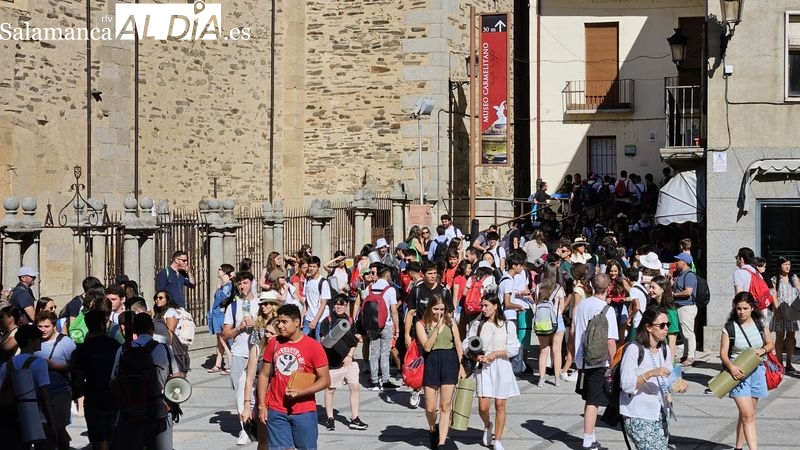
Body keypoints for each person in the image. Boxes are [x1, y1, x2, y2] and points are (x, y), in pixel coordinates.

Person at [256, 304, 330, 450]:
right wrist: (262, 405)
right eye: (278, 321)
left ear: (297, 323)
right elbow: (264, 375)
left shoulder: (313, 346)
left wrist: (302, 392)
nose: (279, 325)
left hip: (304, 410)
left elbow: (325, 380)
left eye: (284, 322)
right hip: (277, 409)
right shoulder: (274, 343)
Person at [111, 313, 183, 450]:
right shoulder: (164, 349)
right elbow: (177, 379)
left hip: (129, 412)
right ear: (152, 328)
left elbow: (113, 382)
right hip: (158, 411)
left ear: (134, 329)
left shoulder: (123, 350)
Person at [620, 309, 687, 450]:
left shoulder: (664, 349)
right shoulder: (634, 349)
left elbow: (669, 377)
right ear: (649, 327)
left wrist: (679, 385)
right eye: (661, 325)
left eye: (667, 324)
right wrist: (650, 374)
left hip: (660, 413)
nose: (666, 328)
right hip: (638, 414)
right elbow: (626, 384)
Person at [464, 293, 521, 450]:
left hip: (501, 366)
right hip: (484, 368)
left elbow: (514, 347)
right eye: (482, 305)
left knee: (500, 404)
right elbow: (466, 345)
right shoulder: (477, 324)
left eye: (486, 305)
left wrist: (495, 354)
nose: (483, 309)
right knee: (483, 406)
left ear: (495, 306)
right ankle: (488, 425)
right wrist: (476, 357)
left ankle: (498, 440)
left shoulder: (508, 325)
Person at [720, 292, 774, 450]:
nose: (741, 312)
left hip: (757, 372)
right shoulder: (729, 327)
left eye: (745, 308)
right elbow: (723, 353)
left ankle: (738, 447)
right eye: (738, 308)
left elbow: (770, 344)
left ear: (752, 308)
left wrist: (762, 350)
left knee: (745, 415)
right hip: (738, 374)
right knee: (748, 415)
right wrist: (731, 367)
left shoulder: (760, 324)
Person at [572, 273, 618, 450]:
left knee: (590, 398)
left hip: (582, 359)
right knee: (593, 401)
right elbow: (611, 341)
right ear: (608, 288)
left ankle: (591, 436)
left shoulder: (582, 305)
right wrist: (613, 364)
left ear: (591, 285)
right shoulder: (607, 310)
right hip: (599, 360)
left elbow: (576, 332)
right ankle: (587, 441)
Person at [415, 295, 465, 449]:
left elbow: (458, 344)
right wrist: (436, 329)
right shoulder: (421, 324)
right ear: (430, 308)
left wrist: (462, 366)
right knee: (430, 406)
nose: (439, 312)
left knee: (445, 405)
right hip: (431, 362)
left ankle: (442, 442)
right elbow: (427, 347)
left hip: (449, 361)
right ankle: (432, 429)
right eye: (436, 309)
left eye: (442, 309)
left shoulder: (451, 323)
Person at [0, 324, 57, 449]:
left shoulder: (7, 365)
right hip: (36, 415)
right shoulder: (39, 362)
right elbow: (44, 393)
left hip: (11, 415)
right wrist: (52, 422)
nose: (41, 341)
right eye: (38, 338)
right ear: (31, 341)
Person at [72, 310, 121, 450]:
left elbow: (79, 379)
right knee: (113, 438)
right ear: (102, 324)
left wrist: (88, 394)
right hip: (113, 397)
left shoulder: (83, 349)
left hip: (93, 399)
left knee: (98, 439)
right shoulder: (114, 345)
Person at [222, 272, 260, 446]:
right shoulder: (234, 306)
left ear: (252, 283)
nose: (242, 286)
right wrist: (239, 328)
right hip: (239, 353)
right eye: (239, 284)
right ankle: (244, 429)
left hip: (258, 351)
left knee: (259, 391)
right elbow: (225, 333)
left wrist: (256, 323)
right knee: (239, 392)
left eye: (245, 283)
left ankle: (260, 425)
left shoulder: (261, 303)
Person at [320, 295, 367, 432]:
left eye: (342, 304)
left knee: (354, 387)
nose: (339, 306)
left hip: (348, 362)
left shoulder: (350, 321)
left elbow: (354, 341)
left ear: (347, 305)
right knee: (330, 390)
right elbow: (323, 340)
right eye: (337, 304)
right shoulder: (327, 321)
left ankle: (355, 418)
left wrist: (350, 356)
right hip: (333, 363)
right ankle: (330, 418)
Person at [34, 311, 77, 450]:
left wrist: (54, 366)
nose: (43, 330)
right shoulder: (34, 341)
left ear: (54, 326)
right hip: (39, 392)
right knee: (43, 429)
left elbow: (75, 366)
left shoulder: (66, 342)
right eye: (39, 326)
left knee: (58, 427)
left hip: (60, 391)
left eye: (46, 326)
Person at [366, 264, 401, 391]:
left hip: (372, 325)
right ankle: (385, 380)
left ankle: (374, 381)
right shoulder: (389, 290)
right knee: (385, 353)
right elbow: (394, 310)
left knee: (374, 353)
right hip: (386, 324)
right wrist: (396, 328)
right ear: (387, 275)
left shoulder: (369, 288)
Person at [534, 262, 566, 388]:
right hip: (556, 321)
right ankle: (557, 378)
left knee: (543, 350)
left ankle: (541, 378)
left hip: (542, 321)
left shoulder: (538, 287)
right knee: (557, 351)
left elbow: (537, 303)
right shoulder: (559, 288)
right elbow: (562, 308)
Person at [770, 256, 799, 372]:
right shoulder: (775, 279)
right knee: (780, 336)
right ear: (780, 266)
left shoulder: (794, 278)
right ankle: (779, 363)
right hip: (780, 311)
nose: (787, 267)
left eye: (789, 264)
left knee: (791, 337)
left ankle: (789, 363)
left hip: (793, 310)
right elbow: (774, 296)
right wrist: (777, 311)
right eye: (785, 264)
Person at [152, 291, 191, 373]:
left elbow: (170, 332)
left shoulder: (170, 312)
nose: (157, 300)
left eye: (161, 298)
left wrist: (168, 351)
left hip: (171, 347)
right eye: (156, 298)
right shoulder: (158, 313)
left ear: (167, 300)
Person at [672, 252, 698, 366]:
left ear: (684, 262)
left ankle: (691, 356)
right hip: (680, 306)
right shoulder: (680, 274)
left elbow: (688, 291)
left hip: (687, 307)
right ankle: (685, 355)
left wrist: (675, 295)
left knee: (688, 333)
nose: (676, 262)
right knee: (683, 334)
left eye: (678, 260)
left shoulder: (689, 275)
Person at [209, 263, 235, 374]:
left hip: (221, 315)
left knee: (223, 340)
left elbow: (225, 299)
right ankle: (218, 364)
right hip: (217, 314)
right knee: (219, 341)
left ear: (224, 272)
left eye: (220, 269)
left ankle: (231, 365)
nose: (218, 271)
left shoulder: (228, 285)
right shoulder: (223, 285)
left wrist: (218, 290)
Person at [648, 276, 680, 360]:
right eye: (650, 287)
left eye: (653, 287)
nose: (650, 290)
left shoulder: (670, 310)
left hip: (663, 353)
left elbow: (672, 339)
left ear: (662, 289)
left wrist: (670, 363)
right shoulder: (651, 306)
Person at [303, 256, 332, 339]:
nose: (311, 269)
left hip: (320, 319)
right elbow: (306, 301)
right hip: (309, 317)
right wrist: (302, 316)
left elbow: (323, 304)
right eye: (310, 266)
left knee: (319, 344)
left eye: (314, 266)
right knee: (304, 342)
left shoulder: (323, 282)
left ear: (318, 267)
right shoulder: (307, 280)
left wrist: (315, 320)